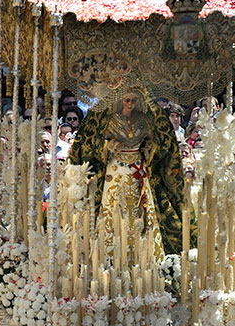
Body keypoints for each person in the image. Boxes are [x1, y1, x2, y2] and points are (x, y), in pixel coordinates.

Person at [69, 89, 185, 258]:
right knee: (113, 209)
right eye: (127, 101)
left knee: (142, 211)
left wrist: (149, 150)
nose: (131, 104)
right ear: (119, 101)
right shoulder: (110, 121)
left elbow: (152, 146)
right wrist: (107, 148)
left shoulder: (143, 120)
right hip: (116, 171)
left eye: (133, 100)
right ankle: (110, 254)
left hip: (139, 169)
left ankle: (146, 256)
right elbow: (97, 150)